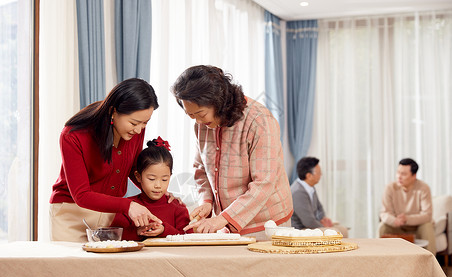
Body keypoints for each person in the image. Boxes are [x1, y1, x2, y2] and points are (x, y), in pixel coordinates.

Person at [171, 65, 293, 241]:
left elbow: (264, 183)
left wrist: (223, 219)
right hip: (226, 223)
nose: (197, 121)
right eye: (191, 115)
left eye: (200, 114)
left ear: (218, 102)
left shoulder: (259, 121)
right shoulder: (202, 124)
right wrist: (206, 201)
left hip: (267, 223)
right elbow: (200, 168)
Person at [50, 78, 169, 242]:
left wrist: (159, 189)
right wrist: (128, 206)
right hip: (72, 214)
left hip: (110, 214)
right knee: (72, 266)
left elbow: (134, 169)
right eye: (134, 122)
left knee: (108, 267)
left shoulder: (135, 129)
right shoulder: (73, 135)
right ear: (113, 111)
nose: (139, 129)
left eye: (145, 123)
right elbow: (81, 195)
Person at [111, 137, 193, 240]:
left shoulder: (177, 207)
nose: (158, 185)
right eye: (151, 179)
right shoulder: (128, 206)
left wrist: (164, 230)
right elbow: (113, 236)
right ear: (138, 176)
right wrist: (137, 232)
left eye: (164, 180)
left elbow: (188, 238)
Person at [379, 158, 436, 254]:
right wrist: (394, 220)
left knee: (427, 226)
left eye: (403, 174)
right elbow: (384, 213)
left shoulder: (423, 188)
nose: (399, 177)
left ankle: (430, 264)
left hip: (417, 227)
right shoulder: (390, 188)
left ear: (414, 176)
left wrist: (407, 219)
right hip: (397, 226)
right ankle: (380, 260)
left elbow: (427, 215)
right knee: (383, 226)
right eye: (398, 172)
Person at [290, 157, 349, 237]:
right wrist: (325, 227)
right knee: (334, 232)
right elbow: (308, 221)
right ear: (309, 176)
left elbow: (319, 208)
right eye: (318, 173)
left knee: (342, 229)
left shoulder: (310, 187)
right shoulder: (298, 192)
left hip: (311, 226)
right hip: (301, 229)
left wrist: (323, 218)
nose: (320, 175)